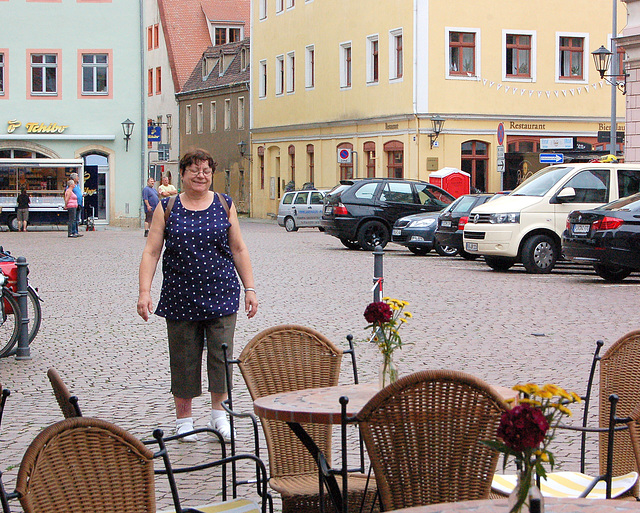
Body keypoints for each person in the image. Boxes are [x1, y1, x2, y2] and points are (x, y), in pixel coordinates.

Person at [137, 149, 257, 442]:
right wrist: (144, 292)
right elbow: (152, 252)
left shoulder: (224, 204)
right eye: (194, 171)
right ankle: (185, 421)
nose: (200, 176)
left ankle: (220, 417)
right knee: (184, 359)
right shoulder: (166, 207)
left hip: (221, 292)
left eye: (205, 171)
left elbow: (239, 249)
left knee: (221, 356)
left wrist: (249, 288)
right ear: (182, 174)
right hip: (180, 295)